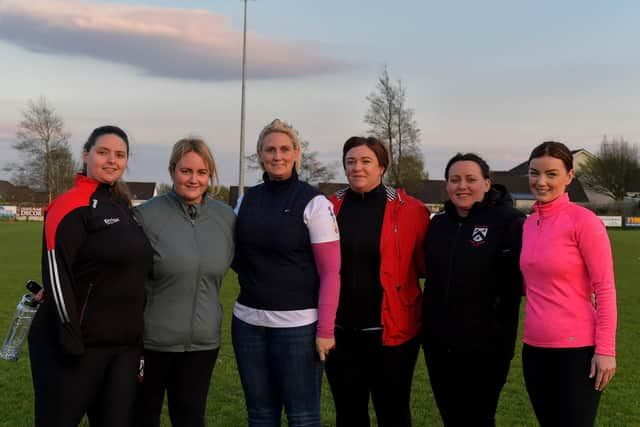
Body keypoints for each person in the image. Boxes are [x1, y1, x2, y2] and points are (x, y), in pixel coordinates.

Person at [28, 125, 153, 427]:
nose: (112, 160)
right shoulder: (70, 205)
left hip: (123, 348)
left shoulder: (122, 206)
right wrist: (71, 342)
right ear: (86, 154)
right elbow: (56, 276)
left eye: (120, 155)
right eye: (103, 152)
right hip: (75, 348)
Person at [232, 119, 341, 427]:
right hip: (248, 325)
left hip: (298, 329)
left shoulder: (315, 202)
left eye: (284, 149)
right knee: (260, 415)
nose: (277, 156)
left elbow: (331, 271)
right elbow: (238, 256)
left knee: (303, 417)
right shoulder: (247, 199)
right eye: (270, 150)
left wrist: (326, 331)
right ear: (259, 154)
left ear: (296, 153)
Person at [325, 136, 430, 427]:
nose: (357, 167)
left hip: (392, 334)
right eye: (351, 161)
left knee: (393, 413)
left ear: (381, 166)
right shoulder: (327, 207)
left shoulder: (411, 210)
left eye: (366, 161)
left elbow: (425, 267)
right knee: (348, 413)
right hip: (340, 333)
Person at [134, 138, 235, 427]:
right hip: (151, 343)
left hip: (202, 345)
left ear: (210, 175)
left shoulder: (226, 218)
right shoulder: (146, 216)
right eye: (185, 171)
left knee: (190, 418)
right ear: (171, 171)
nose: (194, 179)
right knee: (142, 417)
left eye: (202, 172)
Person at [421, 153, 525, 426]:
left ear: (487, 183)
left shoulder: (510, 222)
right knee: (451, 417)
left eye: (470, 179)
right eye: (455, 180)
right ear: (446, 185)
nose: (462, 186)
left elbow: (529, 278)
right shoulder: (438, 224)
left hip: (487, 347)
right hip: (438, 344)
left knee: (478, 417)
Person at [520, 141, 617, 426]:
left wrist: (606, 350)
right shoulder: (528, 224)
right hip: (534, 350)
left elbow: (606, 288)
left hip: (577, 352)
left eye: (551, 174)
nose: (541, 181)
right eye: (534, 173)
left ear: (569, 177)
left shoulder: (584, 222)